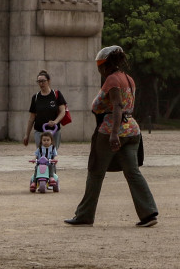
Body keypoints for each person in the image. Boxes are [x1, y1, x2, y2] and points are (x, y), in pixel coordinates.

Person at [66, 45, 158, 228]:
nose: (98, 69)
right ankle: (149, 213)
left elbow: (117, 106)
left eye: (99, 66)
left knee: (95, 172)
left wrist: (114, 133)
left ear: (105, 65)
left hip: (110, 130)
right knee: (132, 172)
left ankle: (84, 215)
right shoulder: (129, 79)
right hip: (132, 129)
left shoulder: (112, 80)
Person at [23, 70, 69, 148]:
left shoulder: (56, 94)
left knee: (52, 154)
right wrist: (27, 135)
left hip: (54, 131)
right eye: (39, 81)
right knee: (41, 154)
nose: (41, 83)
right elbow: (31, 118)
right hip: (40, 131)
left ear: (48, 81)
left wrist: (55, 122)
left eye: (43, 81)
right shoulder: (36, 97)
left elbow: (62, 111)